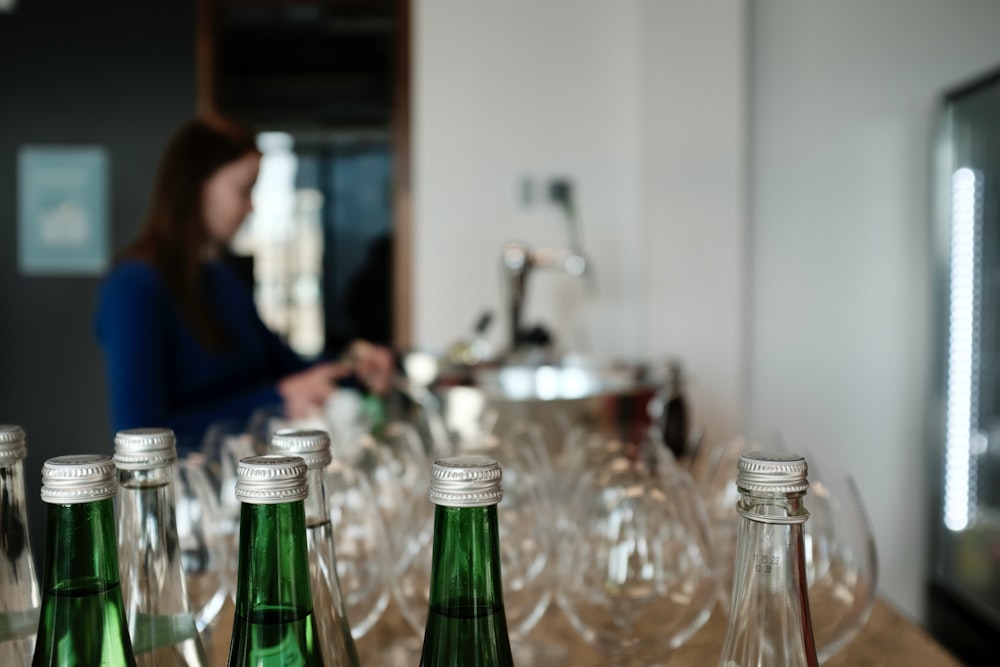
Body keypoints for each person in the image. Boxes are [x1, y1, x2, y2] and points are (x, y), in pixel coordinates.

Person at [93, 115, 395, 454]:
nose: (251, 206)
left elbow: (286, 366)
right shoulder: (134, 286)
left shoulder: (222, 279)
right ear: (196, 185)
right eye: (243, 189)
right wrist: (276, 400)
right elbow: (137, 436)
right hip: (188, 496)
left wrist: (355, 364)